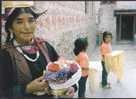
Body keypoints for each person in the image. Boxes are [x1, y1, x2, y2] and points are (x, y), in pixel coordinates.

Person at [0, 2, 77, 97]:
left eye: (31, 20)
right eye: (19, 22)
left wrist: (71, 87)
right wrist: (27, 88)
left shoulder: (45, 46)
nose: (27, 27)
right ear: (10, 28)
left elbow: (62, 72)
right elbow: (3, 92)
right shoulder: (5, 54)